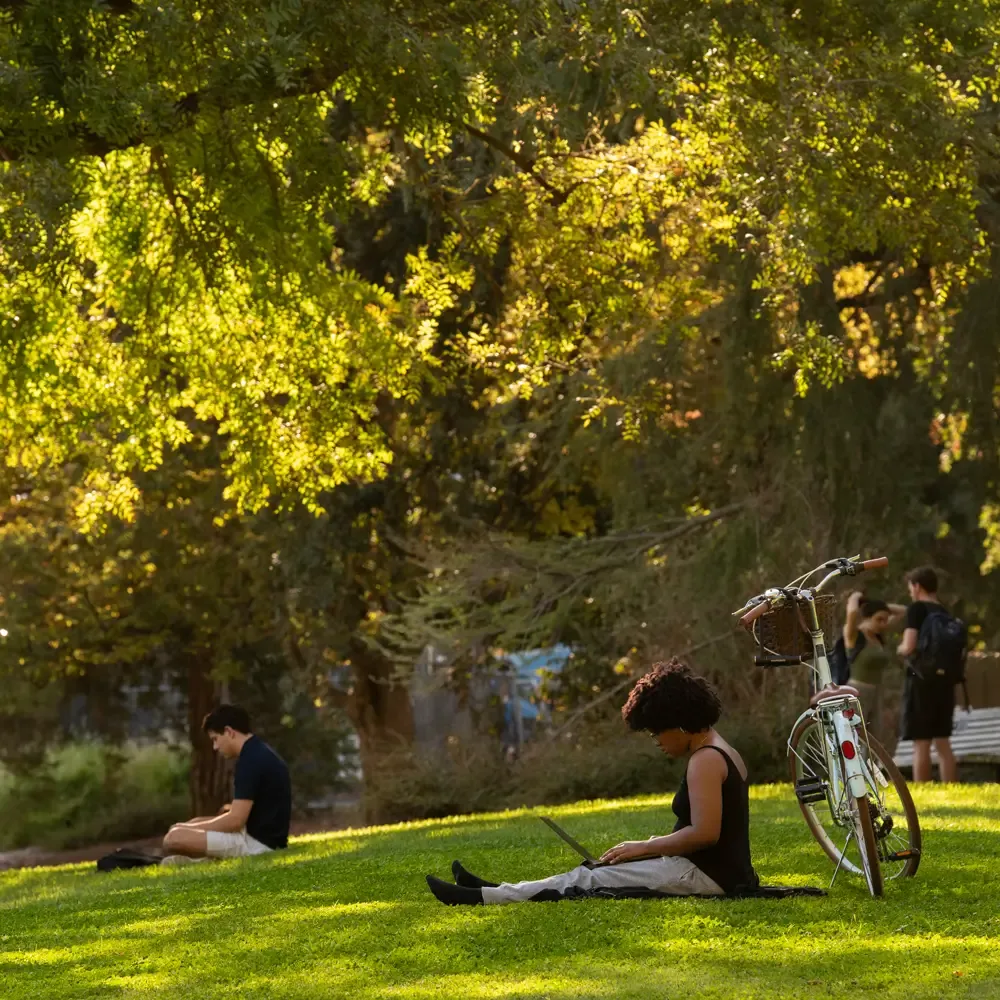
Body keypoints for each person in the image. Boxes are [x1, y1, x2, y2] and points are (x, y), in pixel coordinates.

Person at [425, 659, 759, 905]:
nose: (656, 740)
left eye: (657, 730)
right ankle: (491, 890)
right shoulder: (719, 749)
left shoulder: (705, 760)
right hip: (708, 871)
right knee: (592, 870)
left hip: (706, 877)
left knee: (588, 880)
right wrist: (647, 847)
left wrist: (643, 847)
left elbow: (705, 834)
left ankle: (480, 897)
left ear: (680, 724)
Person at [162, 704, 292, 862]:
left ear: (229, 732)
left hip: (256, 846)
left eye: (215, 739)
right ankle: (200, 861)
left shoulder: (251, 760)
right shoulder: (257, 751)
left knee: (173, 837)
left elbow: (235, 821)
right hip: (255, 837)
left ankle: (200, 859)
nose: (215, 747)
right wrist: (190, 827)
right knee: (191, 823)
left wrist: (184, 830)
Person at [896, 567, 959, 783]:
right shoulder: (945, 612)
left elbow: (909, 645)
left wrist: (899, 649)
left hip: (921, 679)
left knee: (921, 741)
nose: (910, 593)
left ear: (917, 586)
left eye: (910, 588)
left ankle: (922, 788)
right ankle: (951, 786)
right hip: (945, 681)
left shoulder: (917, 609)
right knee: (943, 741)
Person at [841, 591, 906, 739]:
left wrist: (879, 606)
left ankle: (871, 763)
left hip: (877, 692)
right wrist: (856, 597)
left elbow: (903, 611)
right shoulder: (853, 635)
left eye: (886, 620)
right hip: (857, 692)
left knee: (874, 738)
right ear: (867, 617)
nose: (883, 624)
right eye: (879, 619)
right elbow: (851, 612)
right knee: (855, 737)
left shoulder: (878, 637)